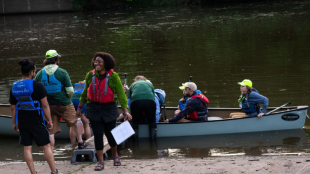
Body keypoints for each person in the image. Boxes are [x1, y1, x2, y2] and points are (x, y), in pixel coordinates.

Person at [77, 52, 131, 171]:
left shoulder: (113, 76)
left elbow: (121, 94)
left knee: (110, 133)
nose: (97, 63)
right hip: (94, 108)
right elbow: (85, 92)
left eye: (99, 61)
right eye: (95, 61)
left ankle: (115, 155)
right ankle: (100, 161)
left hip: (109, 108)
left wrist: (126, 111)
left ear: (106, 63)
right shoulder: (89, 75)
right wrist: (79, 108)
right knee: (97, 135)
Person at [9, 59, 59, 174]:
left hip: (22, 121)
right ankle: (54, 171)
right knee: (46, 146)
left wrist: (14, 123)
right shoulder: (38, 85)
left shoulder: (15, 87)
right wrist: (50, 121)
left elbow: (13, 107)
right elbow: (45, 105)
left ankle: (33, 173)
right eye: (35, 70)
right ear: (32, 72)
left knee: (27, 148)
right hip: (37, 120)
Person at [34, 50, 77, 151]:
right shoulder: (62, 72)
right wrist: (68, 98)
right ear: (57, 59)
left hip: (48, 105)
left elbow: (35, 89)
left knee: (50, 130)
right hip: (64, 103)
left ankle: (51, 151)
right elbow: (70, 90)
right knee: (74, 123)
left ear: (46, 60)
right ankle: (79, 143)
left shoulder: (40, 73)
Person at [127, 76, 157, 141]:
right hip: (150, 102)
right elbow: (153, 97)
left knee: (134, 122)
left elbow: (129, 100)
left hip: (136, 103)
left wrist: (129, 111)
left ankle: (135, 143)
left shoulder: (133, 85)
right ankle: (153, 142)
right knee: (152, 121)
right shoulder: (149, 84)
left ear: (136, 80)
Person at [70, 81, 91, 149]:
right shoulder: (89, 84)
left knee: (73, 124)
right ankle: (88, 143)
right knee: (86, 123)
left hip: (72, 100)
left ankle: (73, 145)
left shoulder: (77, 85)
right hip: (81, 100)